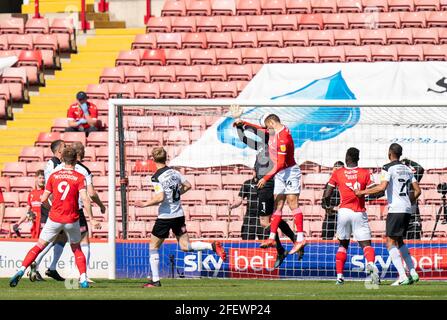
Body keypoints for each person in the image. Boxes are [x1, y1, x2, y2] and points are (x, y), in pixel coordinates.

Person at [135, 147, 227, 288]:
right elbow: (188, 186)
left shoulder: (156, 177)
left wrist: (144, 204)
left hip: (165, 217)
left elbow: (160, 197)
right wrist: (175, 196)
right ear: (165, 157)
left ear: (153, 159)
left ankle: (155, 280)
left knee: (153, 246)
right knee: (185, 246)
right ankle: (212, 246)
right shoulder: (174, 172)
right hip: (179, 214)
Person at [9, 147, 98, 288]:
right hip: (72, 219)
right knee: (76, 249)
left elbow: (43, 198)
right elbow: (85, 199)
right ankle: (83, 279)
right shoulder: (79, 177)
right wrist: (92, 219)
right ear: (75, 160)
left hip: (55, 218)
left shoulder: (53, 176)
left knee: (39, 246)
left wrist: (52, 209)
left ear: (62, 159)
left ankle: (20, 269)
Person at [29, 142, 104, 284]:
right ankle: (83, 275)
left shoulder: (57, 167)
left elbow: (50, 188)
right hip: (74, 210)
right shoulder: (82, 170)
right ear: (80, 155)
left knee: (58, 240)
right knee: (82, 241)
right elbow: (91, 194)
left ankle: (46, 266)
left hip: (56, 208)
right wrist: (100, 207)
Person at [234, 114, 305, 255]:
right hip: (276, 175)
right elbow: (255, 132)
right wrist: (242, 123)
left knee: (290, 204)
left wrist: (266, 178)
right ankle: (273, 238)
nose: (266, 129)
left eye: (267, 126)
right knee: (277, 208)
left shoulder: (282, 138)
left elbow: (280, 163)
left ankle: (297, 239)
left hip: (280, 174)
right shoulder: (270, 135)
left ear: (271, 123)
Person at [355, 143, 421, 286]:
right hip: (407, 209)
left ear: (390, 153)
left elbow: (382, 187)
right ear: (400, 154)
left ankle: (403, 276)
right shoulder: (408, 169)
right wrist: (407, 202)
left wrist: (362, 192)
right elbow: (418, 191)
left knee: (390, 242)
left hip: (395, 209)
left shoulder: (387, 167)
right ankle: (413, 272)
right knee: (399, 241)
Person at [322, 148, 380, 285]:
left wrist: (328, 207)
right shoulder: (365, 173)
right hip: (359, 212)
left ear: (346, 158)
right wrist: (364, 193)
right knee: (366, 245)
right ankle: (371, 269)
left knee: (343, 244)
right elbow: (375, 192)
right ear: (358, 159)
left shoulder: (338, 172)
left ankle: (340, 277)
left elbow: (327, 194)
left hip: (343, 212)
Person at [229, 171, 269, 241]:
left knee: (265, 243)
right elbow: (239, 199)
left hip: (263, 218)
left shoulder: (268, 184)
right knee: (246, 243)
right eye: (254, 170)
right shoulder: (247, 184)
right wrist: (232, 206)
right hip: (250, 218)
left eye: (258, 170)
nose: (256, 172)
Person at [13, 170, 45, 241]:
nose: (42, 180)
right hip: (34, 227)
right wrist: (18, 223)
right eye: (40, 178)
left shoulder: (47, 193)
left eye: (43, 178)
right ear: (36, 178)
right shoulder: (31, 194)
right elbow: (27, 212)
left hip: (44, 227)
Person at [321, 161, 344, 240]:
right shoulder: (329, 184)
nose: (337, 171)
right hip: (331, 217)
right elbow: (323, 203)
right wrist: (331, 208)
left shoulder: (347, 184)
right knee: (326, 242)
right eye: (335, 169)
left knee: (344, 242)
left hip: (344, 217)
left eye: (339, 169)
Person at [402, 158, 424, 240]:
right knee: (400, 247)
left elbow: (420, 169)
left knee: (415, 247)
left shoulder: (412, 179)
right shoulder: (393, 180)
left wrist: (408, 161)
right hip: (400, 217)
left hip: (413, 218)